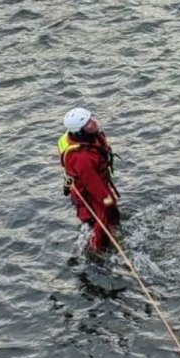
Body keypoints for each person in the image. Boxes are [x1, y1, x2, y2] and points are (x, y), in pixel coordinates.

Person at [58, 107, 121, 253]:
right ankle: (97, 250)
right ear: (80, 131)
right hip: (88, 191)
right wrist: (106, 200)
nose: (93, 123)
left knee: (112, 214)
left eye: (92, 119)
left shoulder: (89, 138)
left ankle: (113, 231)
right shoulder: (82, 158)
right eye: (88, 124)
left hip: (94, 182)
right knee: (102, 220)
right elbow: (92, 184)